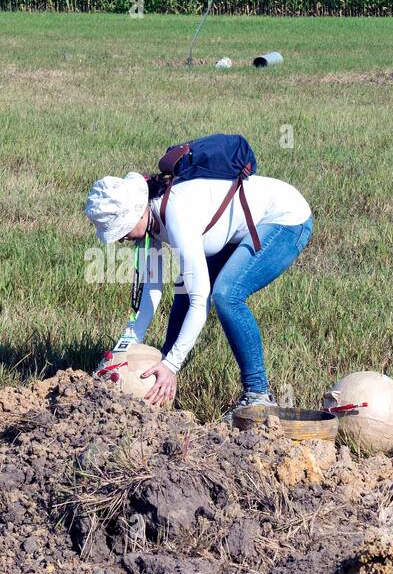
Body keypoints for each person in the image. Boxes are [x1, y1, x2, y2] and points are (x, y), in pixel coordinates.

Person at [84, 152, 313, 409]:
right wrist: (126, 346)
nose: (120, 238)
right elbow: (152, 288)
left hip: (283, 218)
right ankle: (163, 369)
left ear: (135, 214)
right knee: (184, 289)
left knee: (227, 295)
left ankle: (258, 395)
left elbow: (200, 299)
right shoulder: (149, 222)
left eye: (120, 229)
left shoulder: (176, 216)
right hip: (234, 229)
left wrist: (173, 364)